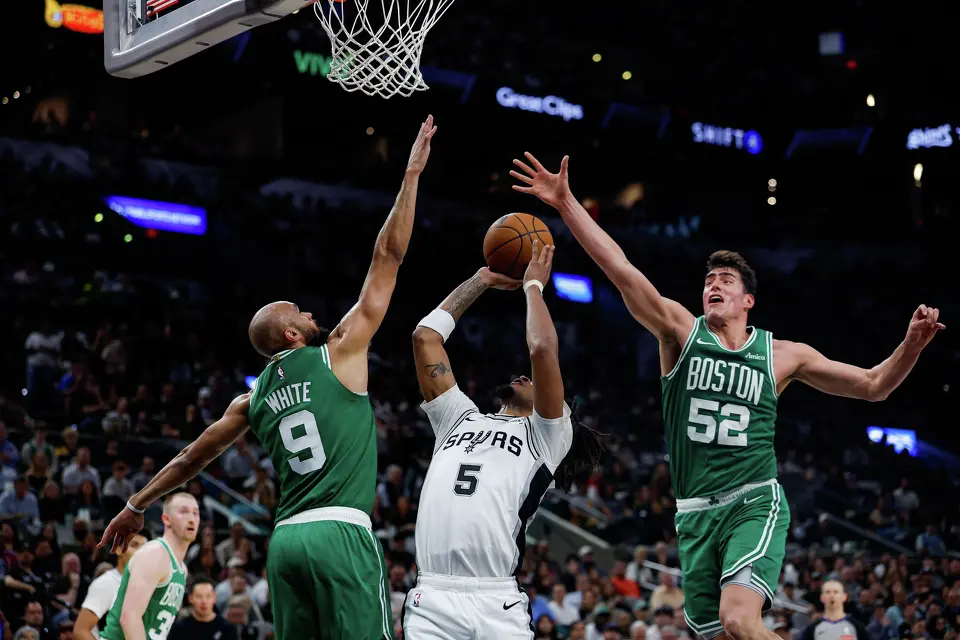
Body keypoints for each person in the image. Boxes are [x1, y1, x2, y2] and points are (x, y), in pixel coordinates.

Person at [510, 152, 945, 640]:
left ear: (747, 301)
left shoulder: (782, 355)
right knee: (721, 633)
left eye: (725, 281)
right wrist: (567, 204)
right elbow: (621, 269)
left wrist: (910, 346)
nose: (713, 285)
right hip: (695, 514)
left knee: (740, 621)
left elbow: (873, 385)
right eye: (708, 281)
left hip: (753, 500)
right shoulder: (679, 332)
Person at [98, 116, 439, 640]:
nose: (309, 314)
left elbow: (192, 457)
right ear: (291, 335)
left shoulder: (251, 398)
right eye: (299, 312)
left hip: (284, 544)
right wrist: (412, 175)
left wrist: (134, 504)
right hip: (340, 532)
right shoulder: (339, 351)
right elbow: (388, 256)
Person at [403, 244, 604, 639]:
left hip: (496, 600)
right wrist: (480, 281)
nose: (524, 376)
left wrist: (533, 286)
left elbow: (542, 349)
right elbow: (425, 337)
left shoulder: (546, 436)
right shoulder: (457, 417)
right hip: (433, 596)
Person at [99, 493, 197, 640]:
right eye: (183, 512)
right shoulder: (155, 554)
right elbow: (129, 618)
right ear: (166, 519)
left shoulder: (182, 568)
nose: (191, 518)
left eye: (196, 513)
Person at [73, 533, 148, 640]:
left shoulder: (149, 584)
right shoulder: (106, 583)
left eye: (144, 547)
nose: (141, 552)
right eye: (134, 545)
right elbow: (80, 631)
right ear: (118, 549)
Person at [799, 581, 869, 640]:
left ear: (844, 597)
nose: (832, 596)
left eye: (836, 592)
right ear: (822, 597)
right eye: (828, 592)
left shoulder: (857, 627)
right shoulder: (812, 629)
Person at [169, 578, 235, 640]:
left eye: (208, 596)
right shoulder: (179, 628)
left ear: (214, 598)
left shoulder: (226, 628)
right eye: (199, 596)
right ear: (190, 598)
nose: (204, 601)